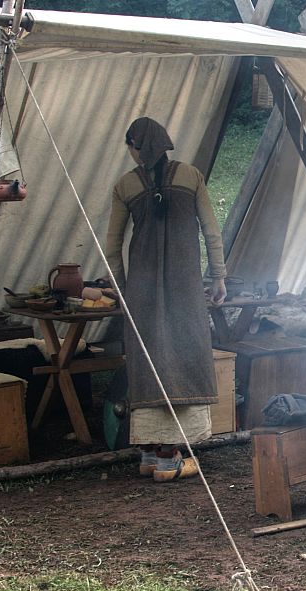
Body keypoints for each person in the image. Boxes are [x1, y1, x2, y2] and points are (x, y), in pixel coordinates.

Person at [105, 117, 227, 482]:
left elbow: (111, 248)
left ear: (135, 147)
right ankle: (168, 458)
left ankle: (149, 455)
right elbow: (211, 231)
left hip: (141, 290)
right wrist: (218, 276)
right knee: (184, 358)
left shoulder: (125, 186)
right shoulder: (190, 176)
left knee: (148, 360)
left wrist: (124, 289)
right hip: (185, 287)